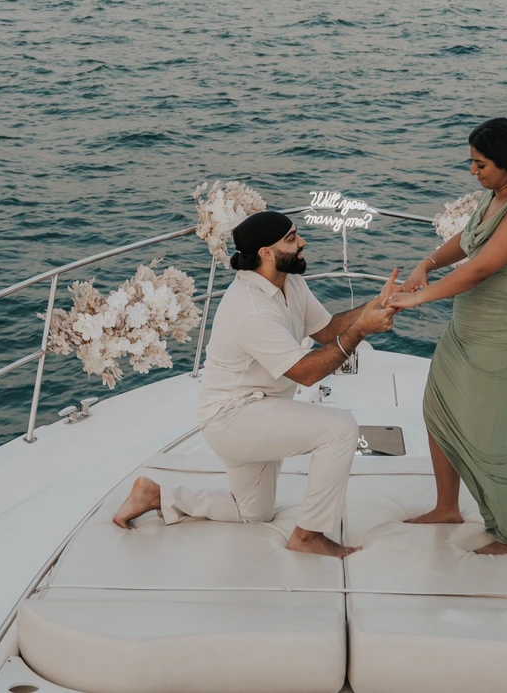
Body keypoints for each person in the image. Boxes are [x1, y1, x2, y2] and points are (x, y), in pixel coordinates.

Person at [112, 210, 398, 557]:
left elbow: (324, 329)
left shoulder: (289, 281)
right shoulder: (250, 309)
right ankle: (308, 535)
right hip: (234, 419)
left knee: (253, 514)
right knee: (340, 430)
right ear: (266, 252)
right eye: (292, 239)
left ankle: (156, 495)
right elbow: (307, 373)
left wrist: (376, 305)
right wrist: (363, 330)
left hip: (260, 411)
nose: (302, 242)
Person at [385, 118, 507, 554]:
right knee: (438, 412)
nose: (473, 171)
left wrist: (418, 298)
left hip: (498, 340)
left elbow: (480, 269)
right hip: (464, 332)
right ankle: (447, 506)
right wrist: (426, 263)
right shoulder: (495, 198)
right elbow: (467, 243)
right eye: (471, 163)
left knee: (489, 441)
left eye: (480, 164)